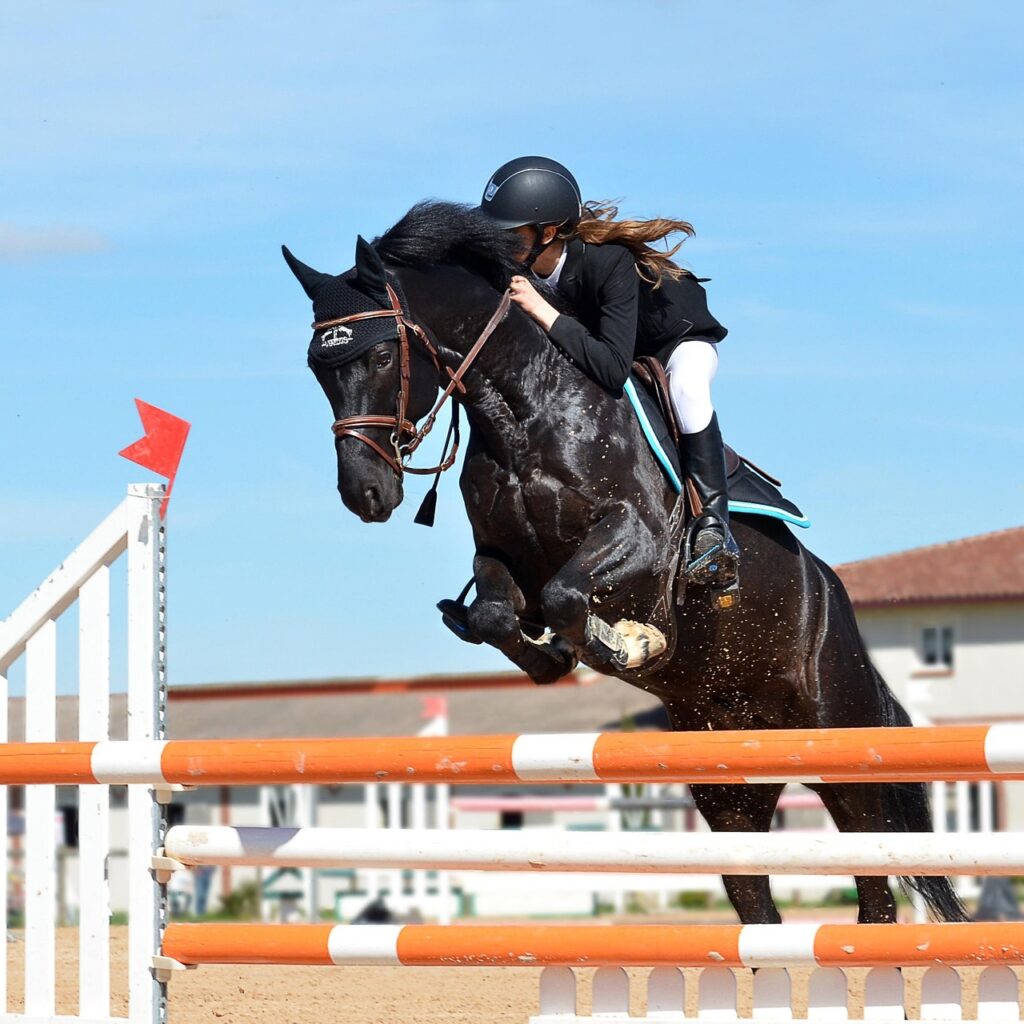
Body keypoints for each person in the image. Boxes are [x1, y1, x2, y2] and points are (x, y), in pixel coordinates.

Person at [478, 155, 738, 585]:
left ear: (548, 232)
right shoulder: (527, 269)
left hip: (674, 342)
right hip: (613, 344)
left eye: (511, 236)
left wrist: (541, 310)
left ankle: (713, 529)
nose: (502, 247)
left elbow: (613, 369)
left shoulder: (607, 261)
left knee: (688, 391)